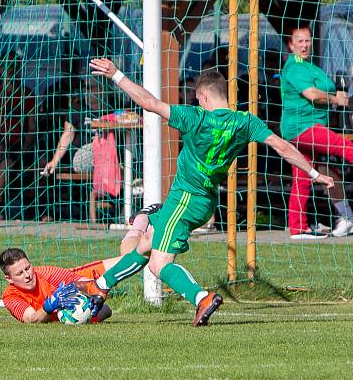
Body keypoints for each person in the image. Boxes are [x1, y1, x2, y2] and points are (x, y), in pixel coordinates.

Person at [80, 59, 334, 327]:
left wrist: (116, 74)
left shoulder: (196, 117)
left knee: (159, 264)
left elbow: (150, 103)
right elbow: (282, 146)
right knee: (145, 244)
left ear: (203, 96)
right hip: (207, 202)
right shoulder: (245, 122)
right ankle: (100, 286)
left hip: (184, 199)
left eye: (197, 97)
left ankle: (201, 297)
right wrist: (315, 174)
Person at [0, 206, 157, 323]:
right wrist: (50, 306)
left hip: (82, 279)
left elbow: (84, 282)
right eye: (19, 274)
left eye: (28, 268)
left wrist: (95, 293)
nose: (27, 275)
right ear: (9, 279)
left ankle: (141, 221)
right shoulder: (10, 296)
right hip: (77, 291)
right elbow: (31, 319)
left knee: (130, 258)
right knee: (106, 310)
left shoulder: (46, 273)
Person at [280, 25, 353, 238]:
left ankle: (298, 227)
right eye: (300, 41)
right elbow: (312, 94)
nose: (305, 45)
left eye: (307, 40)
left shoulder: (308, 65)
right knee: (345, 148)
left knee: (303, 175)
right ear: (291, 45)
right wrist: (335, 99)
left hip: (308, 127)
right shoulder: (295, 66)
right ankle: (345, 216)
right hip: (303, 127)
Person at [0, 56, 37, 219]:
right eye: (7, 67)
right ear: (0, 70)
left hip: (18, 146)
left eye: (14, 67)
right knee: (5, 164)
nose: (10, 72)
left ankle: (42, 209)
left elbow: (32, 128)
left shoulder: (26, 95)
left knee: (43, 162)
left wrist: (25, 147)